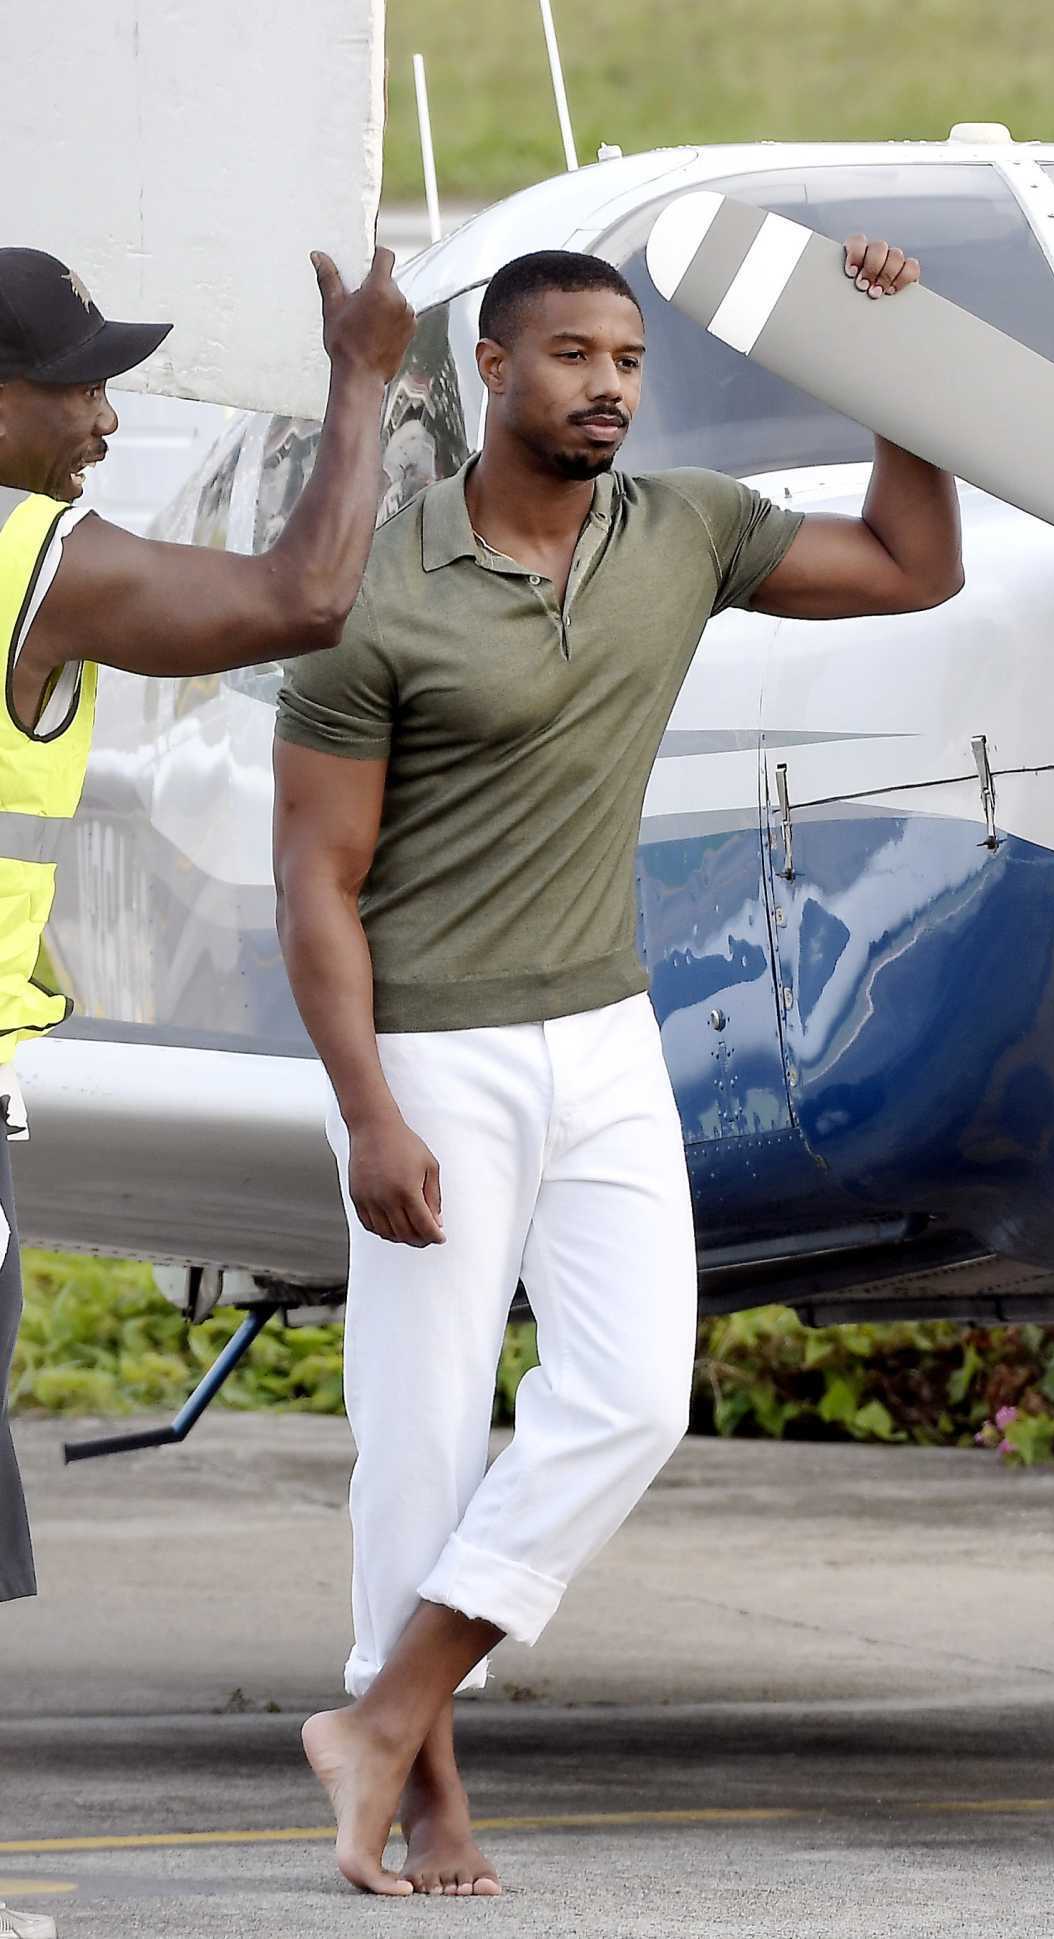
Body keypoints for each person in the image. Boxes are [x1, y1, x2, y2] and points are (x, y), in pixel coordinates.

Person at [273, 237, 963, 1900]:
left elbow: (910, 566)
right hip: (432, 1048)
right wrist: (368, 1112)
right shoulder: (378, 588)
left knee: (637, 1398)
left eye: (630, 362)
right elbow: (315, 881)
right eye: (574, 356)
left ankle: (381, 1716)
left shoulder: (684, 533)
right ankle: (424, 1795)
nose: (608, 389)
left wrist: (898, 367)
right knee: (421, 1434)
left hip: (602, 1034)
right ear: (492, 369)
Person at [0, 245, 414, 1623]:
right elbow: (307, 597)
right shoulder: (31, 559)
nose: (107, 417)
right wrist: (361, 376)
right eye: (78, 388)